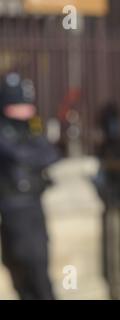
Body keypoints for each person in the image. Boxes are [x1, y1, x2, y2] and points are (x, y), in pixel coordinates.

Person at [0, 72, 60, 299]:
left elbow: (49, 154)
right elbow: (18, 154)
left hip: (33, 203)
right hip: (13, 205)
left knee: (38, 266)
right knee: (21, 264)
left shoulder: (31, 127)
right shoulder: (5, 129)